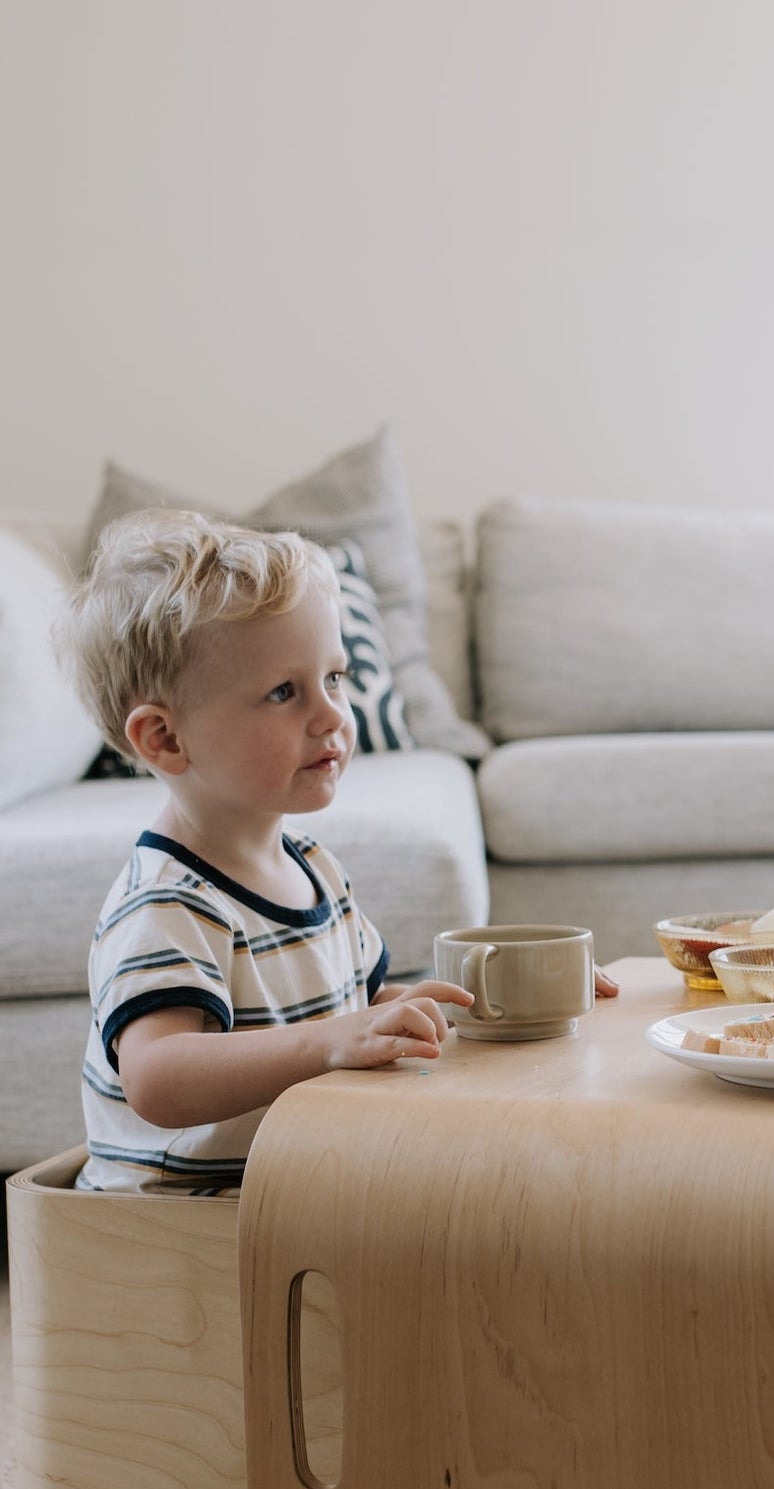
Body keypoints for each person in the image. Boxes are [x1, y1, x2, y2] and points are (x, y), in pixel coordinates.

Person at [58, 510, 613, 1195]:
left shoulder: (314, 867)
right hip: (183, 1233)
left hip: (296, 1195)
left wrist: (506, 999)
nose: (331, 717)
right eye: (284, 693)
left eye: (336, 679)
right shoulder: (168, 902)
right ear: (165, 739)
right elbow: (157, 1075)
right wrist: (328, 1043)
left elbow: (361, 1003)